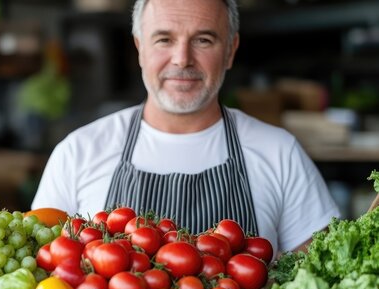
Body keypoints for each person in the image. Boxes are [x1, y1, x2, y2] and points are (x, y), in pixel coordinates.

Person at [31, 0, 340, 255]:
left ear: (230, 50)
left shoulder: (280, 152)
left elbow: (321, 276)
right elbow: (44, 277)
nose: (182, 59)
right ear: (139, 47)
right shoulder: (78, 152)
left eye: (203, 40)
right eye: (164, 39)